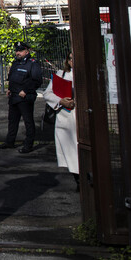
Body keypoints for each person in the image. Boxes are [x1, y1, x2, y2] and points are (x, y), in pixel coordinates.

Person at [42, 54, 79, 190]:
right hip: (66, 117)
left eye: (74, 58)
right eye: (70, 58)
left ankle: (87, 177)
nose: (72, 61)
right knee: (70, 151)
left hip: (81, 117)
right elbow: (47, 93)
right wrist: (60, 101)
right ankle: (79, 180)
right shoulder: (61, 74)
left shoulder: (88, 73)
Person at [0, 42, 42, 154]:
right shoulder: (16, 63)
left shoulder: (32, 63)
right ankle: (9, 141)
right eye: (17, 51)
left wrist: (26, 90)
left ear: (27, 51)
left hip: (25, 97)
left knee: (28, 121)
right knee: (12, 120)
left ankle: (28, 145)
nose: (18, 53)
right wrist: (9, 89)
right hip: (14, 96)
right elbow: (12, 78)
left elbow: (37, 80)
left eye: (20, 51)